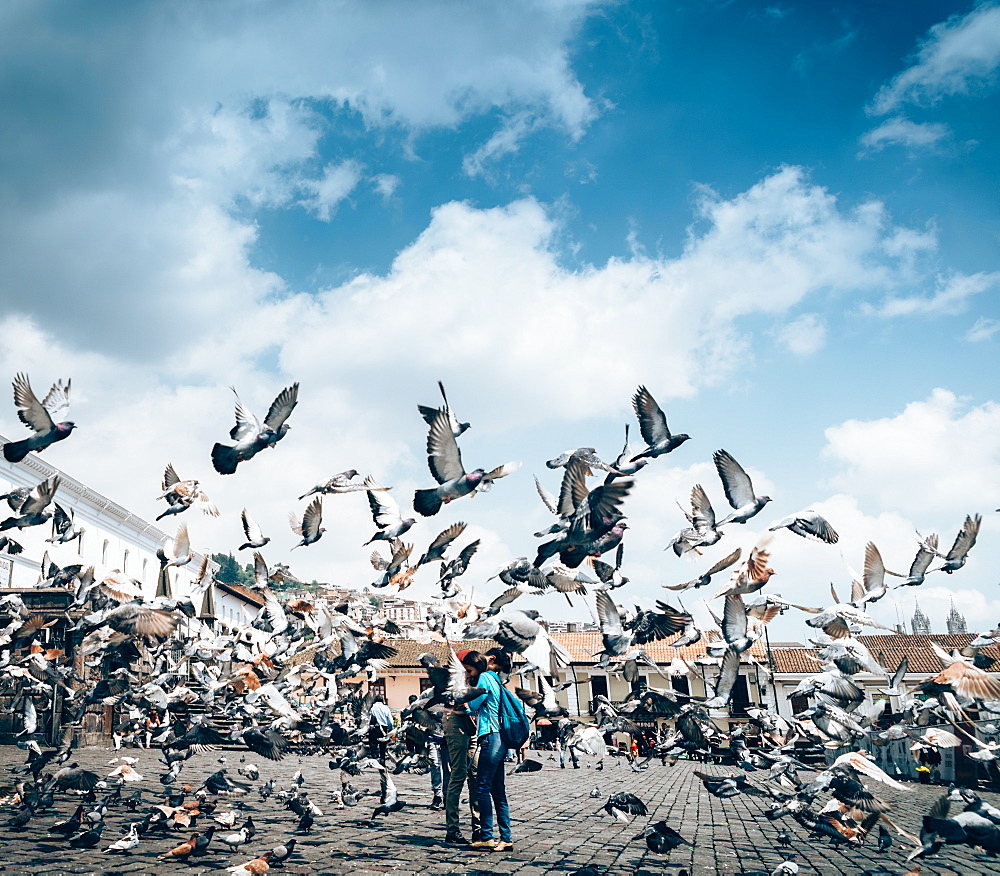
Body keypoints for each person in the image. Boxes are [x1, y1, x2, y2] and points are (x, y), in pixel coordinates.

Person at [465, 647, 514, 852]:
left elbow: (474, 704)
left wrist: (460, 705)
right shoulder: (497, 680)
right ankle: (506, 838)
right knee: (497, 791)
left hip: (490, 737)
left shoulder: (485, 676)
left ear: (491, 659)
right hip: (500, 739)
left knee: (482, 789)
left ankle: (486, 835)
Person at [442, 649, 483, 847]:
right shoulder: (454, 678)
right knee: (457, 775)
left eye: (471, 671)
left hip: (472, 724)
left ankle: (479, 829)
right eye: (466, 670)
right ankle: (453, 830)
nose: (469, 675)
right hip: (455, 721)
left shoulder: (479, 680)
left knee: (476, 775)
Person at [368, 695, 394, 764]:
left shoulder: (372, 708)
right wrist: (390, 728)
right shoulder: (386, 708)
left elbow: (369, 718)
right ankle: (382, 761)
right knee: (383, 746)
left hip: (374, 728)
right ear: (382, 700)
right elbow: (390, 721)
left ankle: (375, 761)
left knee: (373, 745)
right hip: (384, 728)